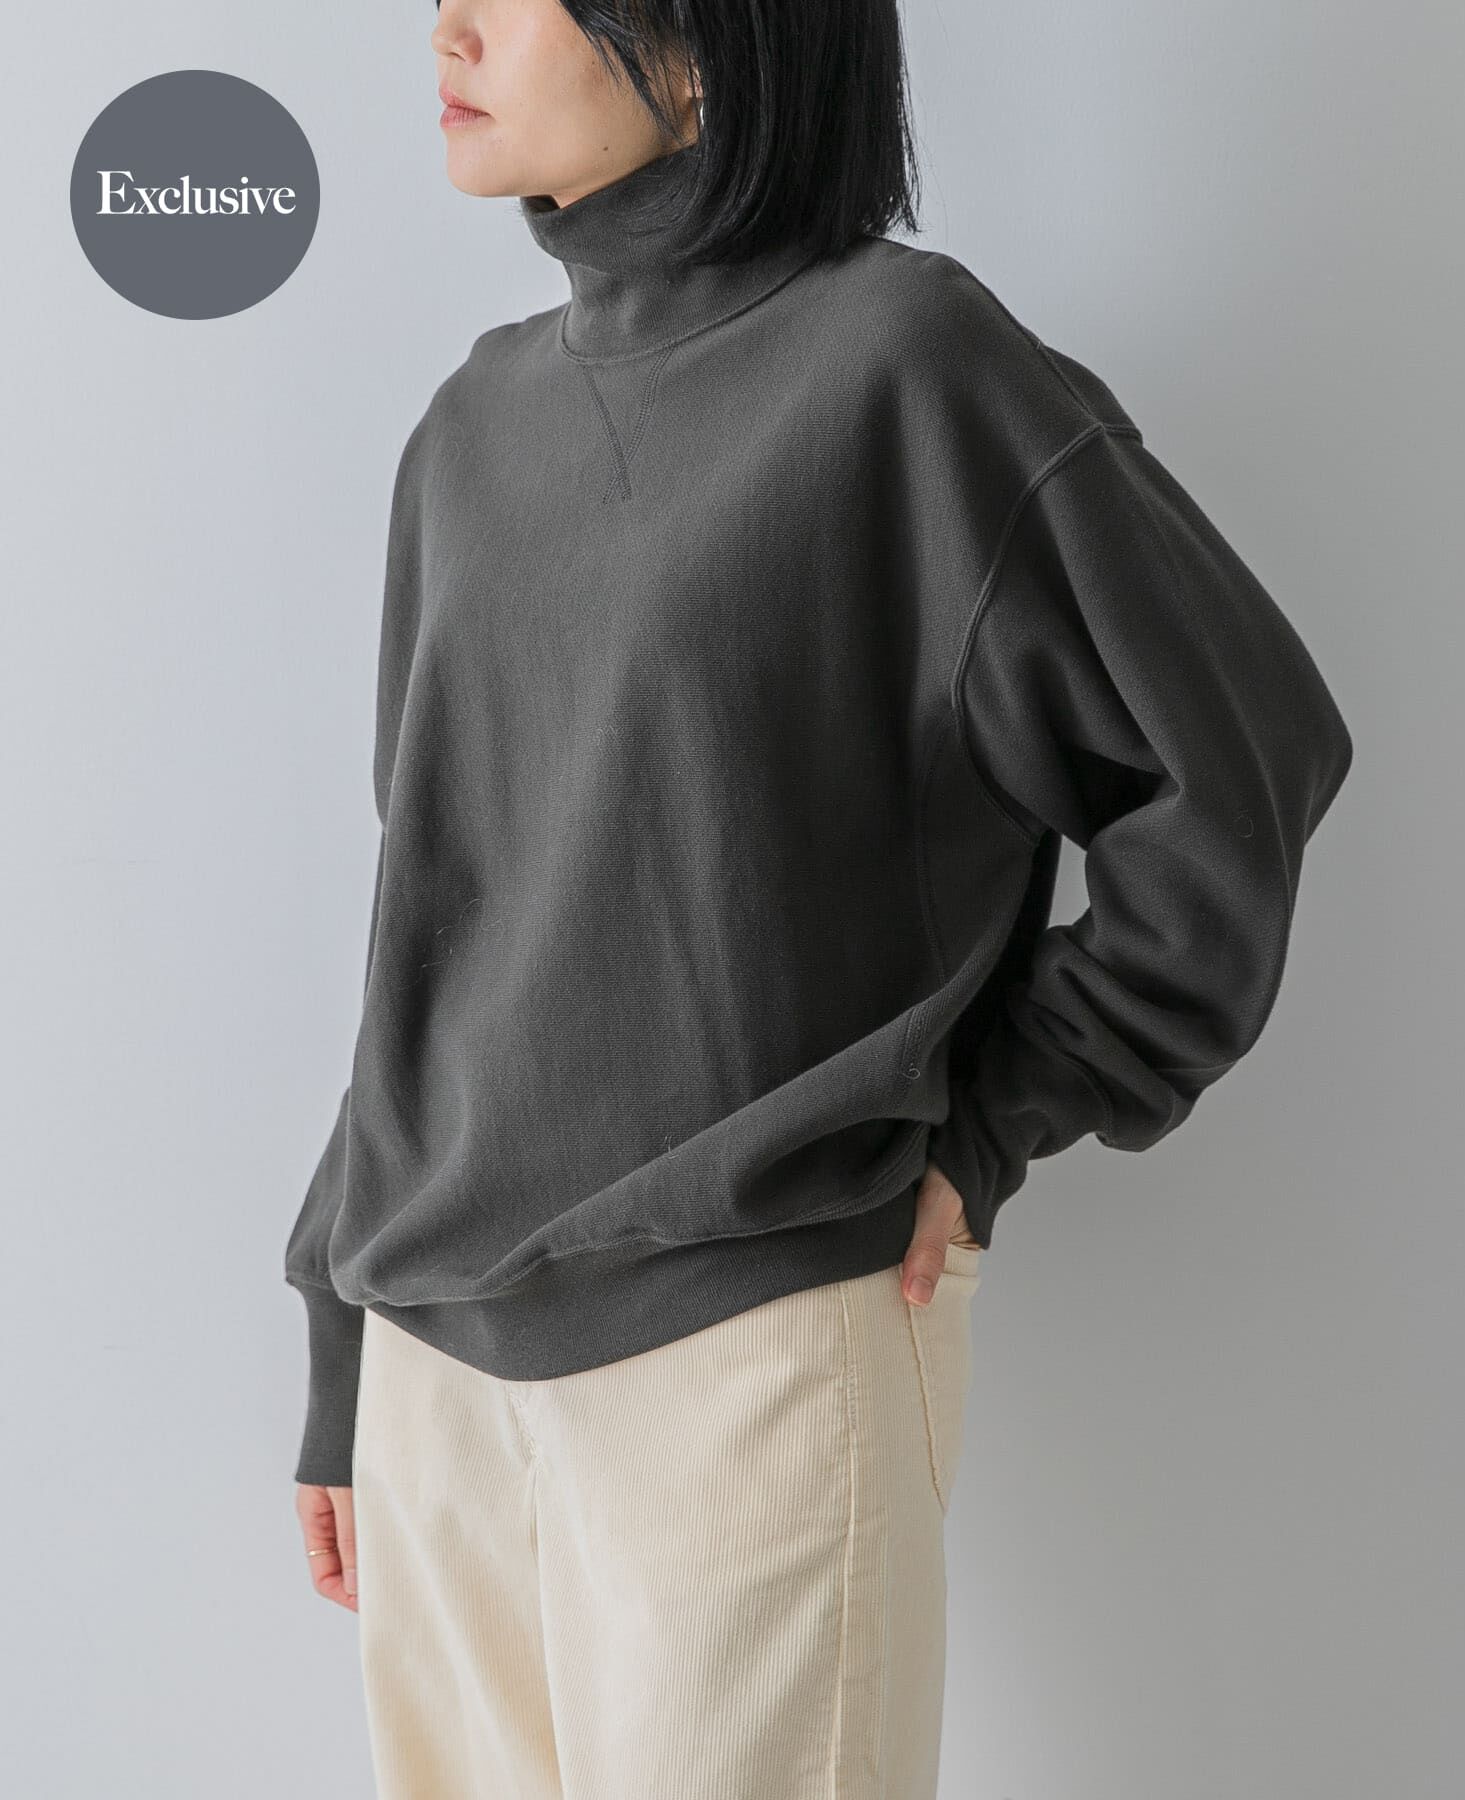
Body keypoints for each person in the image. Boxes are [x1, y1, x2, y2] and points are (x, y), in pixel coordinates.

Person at [284, 1, 1354, 1794]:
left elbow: (1236, 770)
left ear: (703, 44)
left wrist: (997, 1118)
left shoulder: (905, 369)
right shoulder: (467, 431)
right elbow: (441, 925)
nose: (447, 22)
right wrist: (339, 1333)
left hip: (741, 1367)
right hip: (432, 1387)